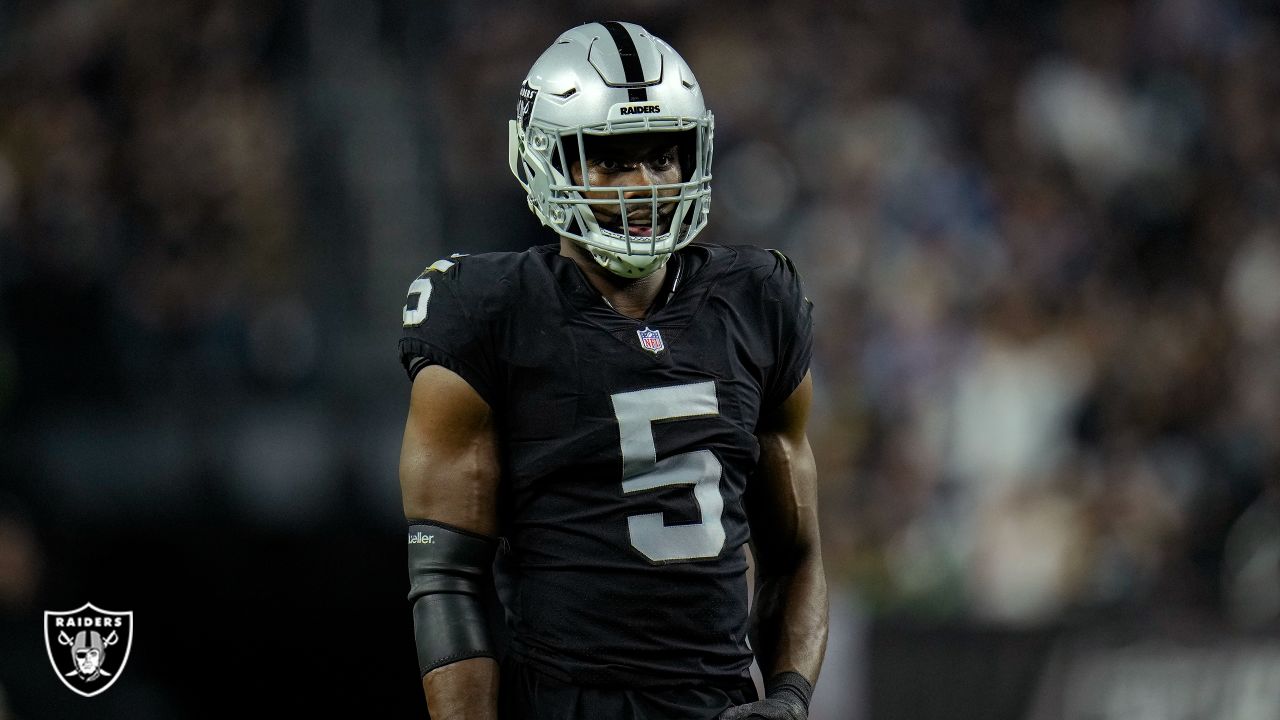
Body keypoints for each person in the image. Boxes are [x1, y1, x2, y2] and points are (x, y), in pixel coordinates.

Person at [398, 21, 827, 720]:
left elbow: (797, 553)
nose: (644, 187)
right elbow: (446, 577)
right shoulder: (486, 311)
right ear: (545, 161)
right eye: (612, 161)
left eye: (663, 158)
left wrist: (787, 698)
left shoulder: (758, 299)